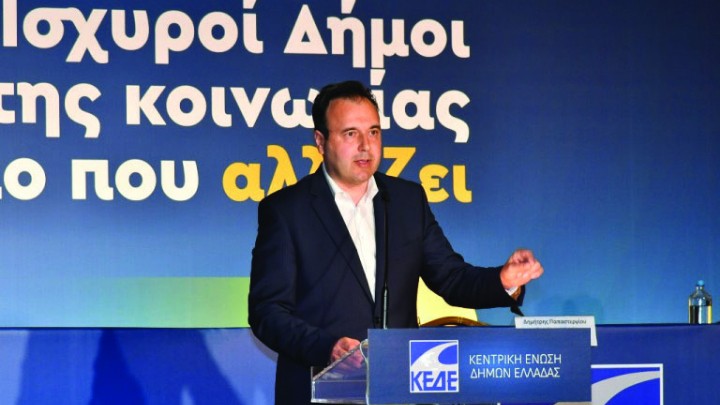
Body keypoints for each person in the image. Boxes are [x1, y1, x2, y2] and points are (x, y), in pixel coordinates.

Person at [248, 80, 544, 404]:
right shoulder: (287, 210)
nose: (366, 146)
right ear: (320, 141)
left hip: (397, 390)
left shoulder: (406, 201)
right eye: (351, 133)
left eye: (374, 132)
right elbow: (267, 312)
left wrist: (503, 280)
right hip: (317, 391)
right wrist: (327, 347)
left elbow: (451, 277)